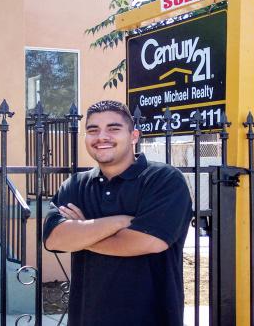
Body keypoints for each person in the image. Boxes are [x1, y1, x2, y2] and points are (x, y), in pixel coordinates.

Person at [43, 100, 192, 326]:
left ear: (134, 136)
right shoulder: (75, 186)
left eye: (113, 129)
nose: (102, 137)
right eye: (93, 130)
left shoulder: (163, 180)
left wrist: (83, 234)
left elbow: (149, 241)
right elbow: (54, 239)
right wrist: (118, 222)